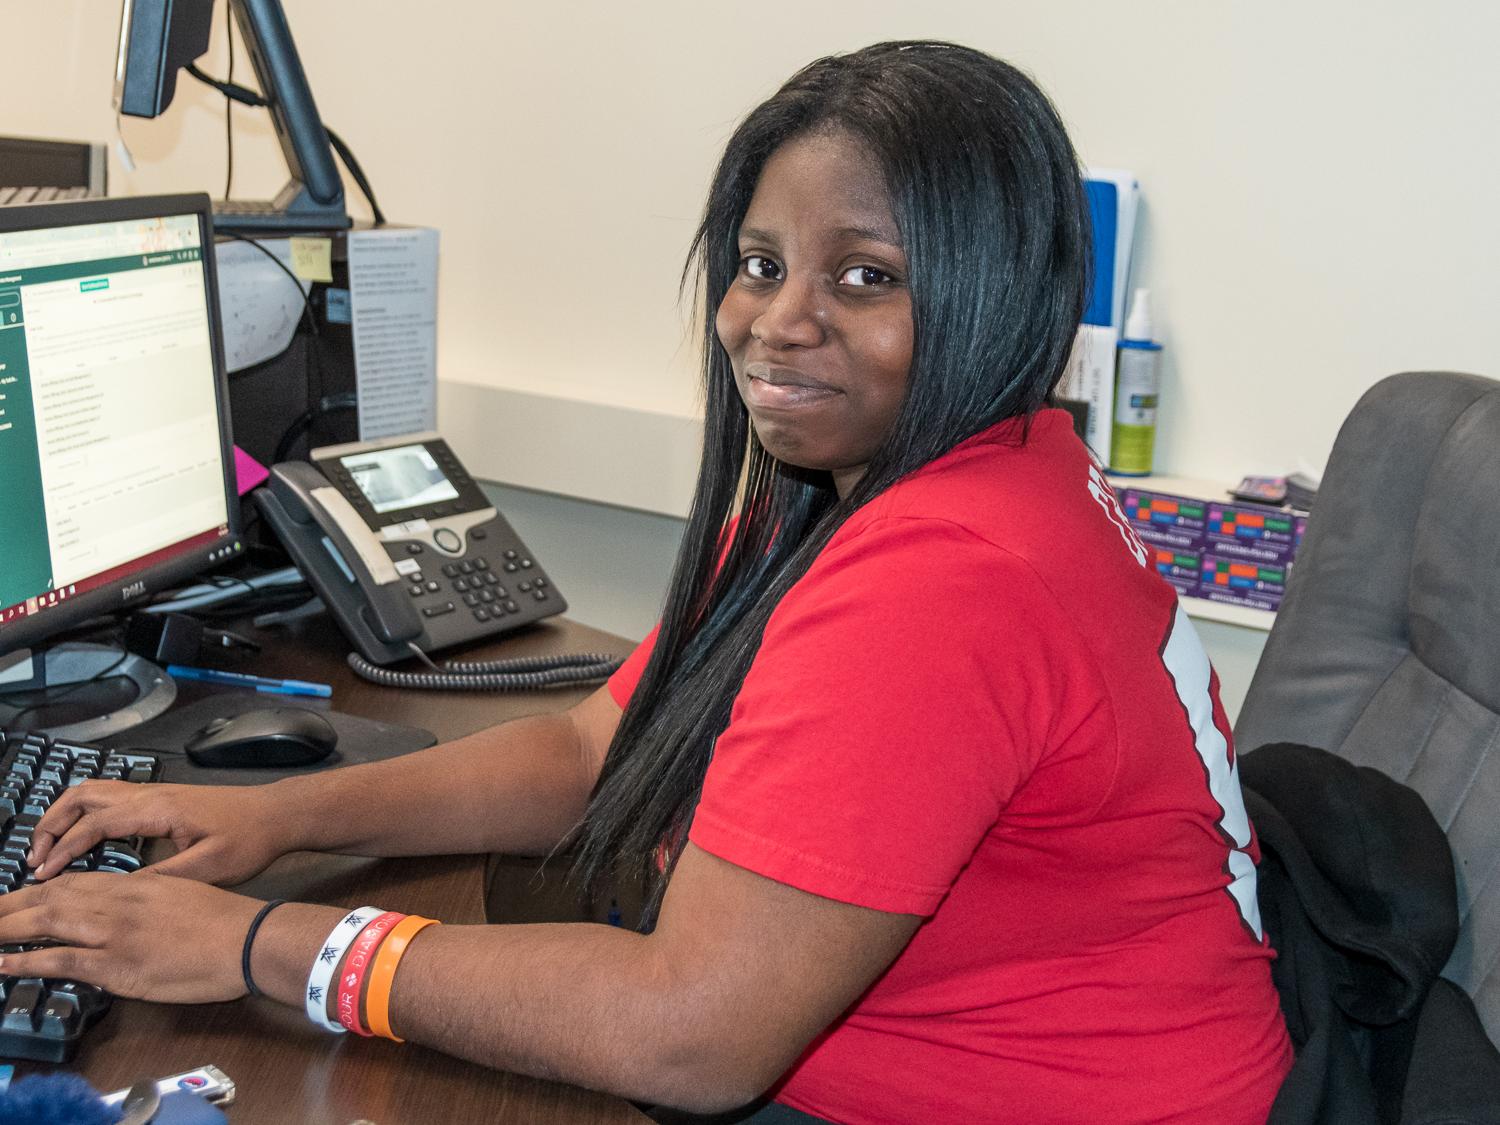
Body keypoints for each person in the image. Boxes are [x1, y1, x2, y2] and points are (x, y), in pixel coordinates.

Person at [0, 41, 1291, 1124]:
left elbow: (688, 1030)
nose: (775, 319)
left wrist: (246, 943)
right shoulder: (927, 482)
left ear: (997, 292)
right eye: (760, 260)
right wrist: (290, 820)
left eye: (867, 275)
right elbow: (591, 748)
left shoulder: (947, 573)